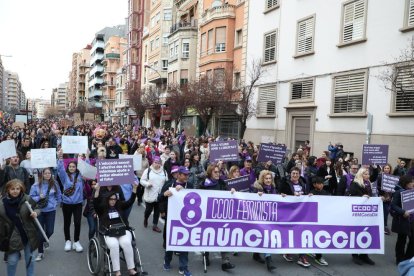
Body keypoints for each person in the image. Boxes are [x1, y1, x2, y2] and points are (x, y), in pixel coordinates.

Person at [93, 182, 139, 276]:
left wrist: (134, 189)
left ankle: (131, 269)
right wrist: (97, 190)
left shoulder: (120, 205)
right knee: (114, 245)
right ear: (107, 200)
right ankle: (117, 271)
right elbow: (95, 203)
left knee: (126, 243)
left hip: (122, 230)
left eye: (114, 199)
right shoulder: (102, 208)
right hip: (108, 232)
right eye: (111, 199)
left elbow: (130, 202)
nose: (113, 201)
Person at [199, 164, 236, 271]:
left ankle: (225, 262)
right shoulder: (203, 185)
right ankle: (206, 256)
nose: (217, 174)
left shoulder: (222, 183)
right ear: (210, 173)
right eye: (215, 172)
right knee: (207, 236)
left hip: (220, 215)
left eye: (218, 172)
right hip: (208, 215)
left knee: (223, 236)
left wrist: (232, 191)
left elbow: (228, 196)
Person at [0, 179, 40, 276]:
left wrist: (36, 213)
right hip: (12, 237)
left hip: (28, 234)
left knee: (30, 259)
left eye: (17, 188)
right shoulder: (2, 203)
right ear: (8, 190)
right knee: (12, 261)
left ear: (21, 189)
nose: (15, 191)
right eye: (12, 189)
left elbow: (37, 208)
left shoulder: (27, 199)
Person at [159, 166, 193, 276]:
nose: (187, 176)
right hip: (172, 218)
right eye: (184, 174)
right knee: (171, 241)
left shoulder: (190, 185)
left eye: (188, 174)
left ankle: (184, 267)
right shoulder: (170, 184)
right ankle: (167, 261)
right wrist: (165, 194)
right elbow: (159, 198)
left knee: (184, 242)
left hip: (185, 219)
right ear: (178, 175)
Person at [279, 166, 311, 267]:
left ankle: (302, 256)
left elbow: (306, 193)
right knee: (289, 231)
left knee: (300, 231)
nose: (295, 175)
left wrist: (308, 195)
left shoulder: (303, 182)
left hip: (300, 211)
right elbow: (280, 192)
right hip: (289, 211)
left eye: (297, 173)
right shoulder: (285, 182)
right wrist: (286, 195)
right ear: (290, 174)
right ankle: (288, 251)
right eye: (293, 173)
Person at [29, 168, 61, 261]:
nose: (47, 175)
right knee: (40, 232)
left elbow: (58, 194)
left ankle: (43, 241)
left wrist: (56, 203)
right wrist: (39, 197)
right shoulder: (35, 185)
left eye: (49, 173)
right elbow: (30, 198)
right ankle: (40, 252)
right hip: (39, 211)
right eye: (45, 173)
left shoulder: (54, 183)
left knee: (50, 231)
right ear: (41, 174)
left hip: (51, 210)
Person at [57, 150, 86, 252]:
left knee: (77, 222)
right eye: (70, 167)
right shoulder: (64, 176)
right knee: (67, 222)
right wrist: (60, 158)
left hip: (78, 203)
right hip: (67, 203)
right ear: (68, 167)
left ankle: (76, 242)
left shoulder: (80, 176)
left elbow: (85, 168)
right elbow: (60, 169)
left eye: (74, 167)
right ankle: (68, 241)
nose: (72, 168)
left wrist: (85, 155)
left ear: (76, 167)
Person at [348, 167, 375, 265]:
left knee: (367, 232)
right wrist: (361, 197)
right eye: (365, 174)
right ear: (360, 175)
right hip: (357, 213)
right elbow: (349, 195)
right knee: (356, 233)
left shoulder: (369, 185)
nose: (368, 176)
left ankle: (364, 255)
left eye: (368, 174)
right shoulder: (355, 183)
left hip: (367, 213)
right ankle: (355, 255)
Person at [253, 170, 277, 272]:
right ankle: (269, 259)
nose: (268, 180)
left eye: (269, 178)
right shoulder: (256, 189)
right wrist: (256, 195)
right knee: (265, 235)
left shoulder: (274, 189)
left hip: (269, 217)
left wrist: (283, 196)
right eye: (266, 178)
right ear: (262, 179)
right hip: (258, 216)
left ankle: (256, 254)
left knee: (266, 235)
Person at [141, 156, 168, 233]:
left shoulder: (164, 171)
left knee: (157, 211)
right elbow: (142, 181)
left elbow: (166, 182)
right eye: (155, 162)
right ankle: (146, 218)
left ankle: (155, 225)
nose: (157, 164)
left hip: (160, 195)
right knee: (148, 210)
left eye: (158, 163)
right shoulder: (148, 170)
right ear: (152, 163)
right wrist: (147, 184)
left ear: (161, 164)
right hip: (150, 194)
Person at [391, 175, 414, 265]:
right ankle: (399, 258)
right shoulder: (399, 192)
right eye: (411, 182)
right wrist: (403, 211)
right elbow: (393, 205)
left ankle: (408, 257)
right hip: (403, 220)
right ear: (406, 183)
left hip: (412, 220)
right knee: (402, 240)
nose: (413, 183)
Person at [308, 177, 329, 266]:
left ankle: (318, 255)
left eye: (322, 183)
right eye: (319, 183)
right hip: (313, 218)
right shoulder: (311, 193)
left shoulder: (326, 193)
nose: (321, 185)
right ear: (314, 184)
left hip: (322, 218)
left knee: (320, 237)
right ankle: (317, 256)